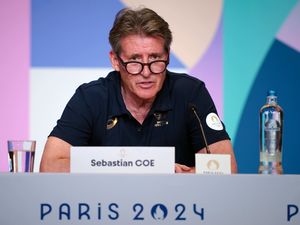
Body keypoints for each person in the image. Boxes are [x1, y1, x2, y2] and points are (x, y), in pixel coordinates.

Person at [40, 7, 237, 173]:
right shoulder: (91, 98)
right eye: (134, 60)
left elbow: (225, 166)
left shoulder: (191, 94)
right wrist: (151, 169)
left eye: (154, 59)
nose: (146, 72)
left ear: (167, 55)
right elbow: (51, 165)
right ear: (115, 61)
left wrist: (181, 177)